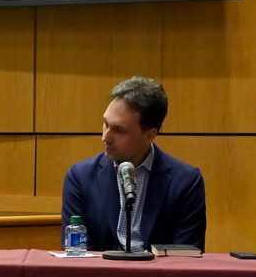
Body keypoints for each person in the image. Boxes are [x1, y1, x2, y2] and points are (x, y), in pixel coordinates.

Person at [62, 75, 206, 252]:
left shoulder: (186, 182)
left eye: (119, 130)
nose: (105, 137)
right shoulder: (80, 177)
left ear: (149, 135)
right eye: (105, 124)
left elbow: (185, 257)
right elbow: (77, 253)